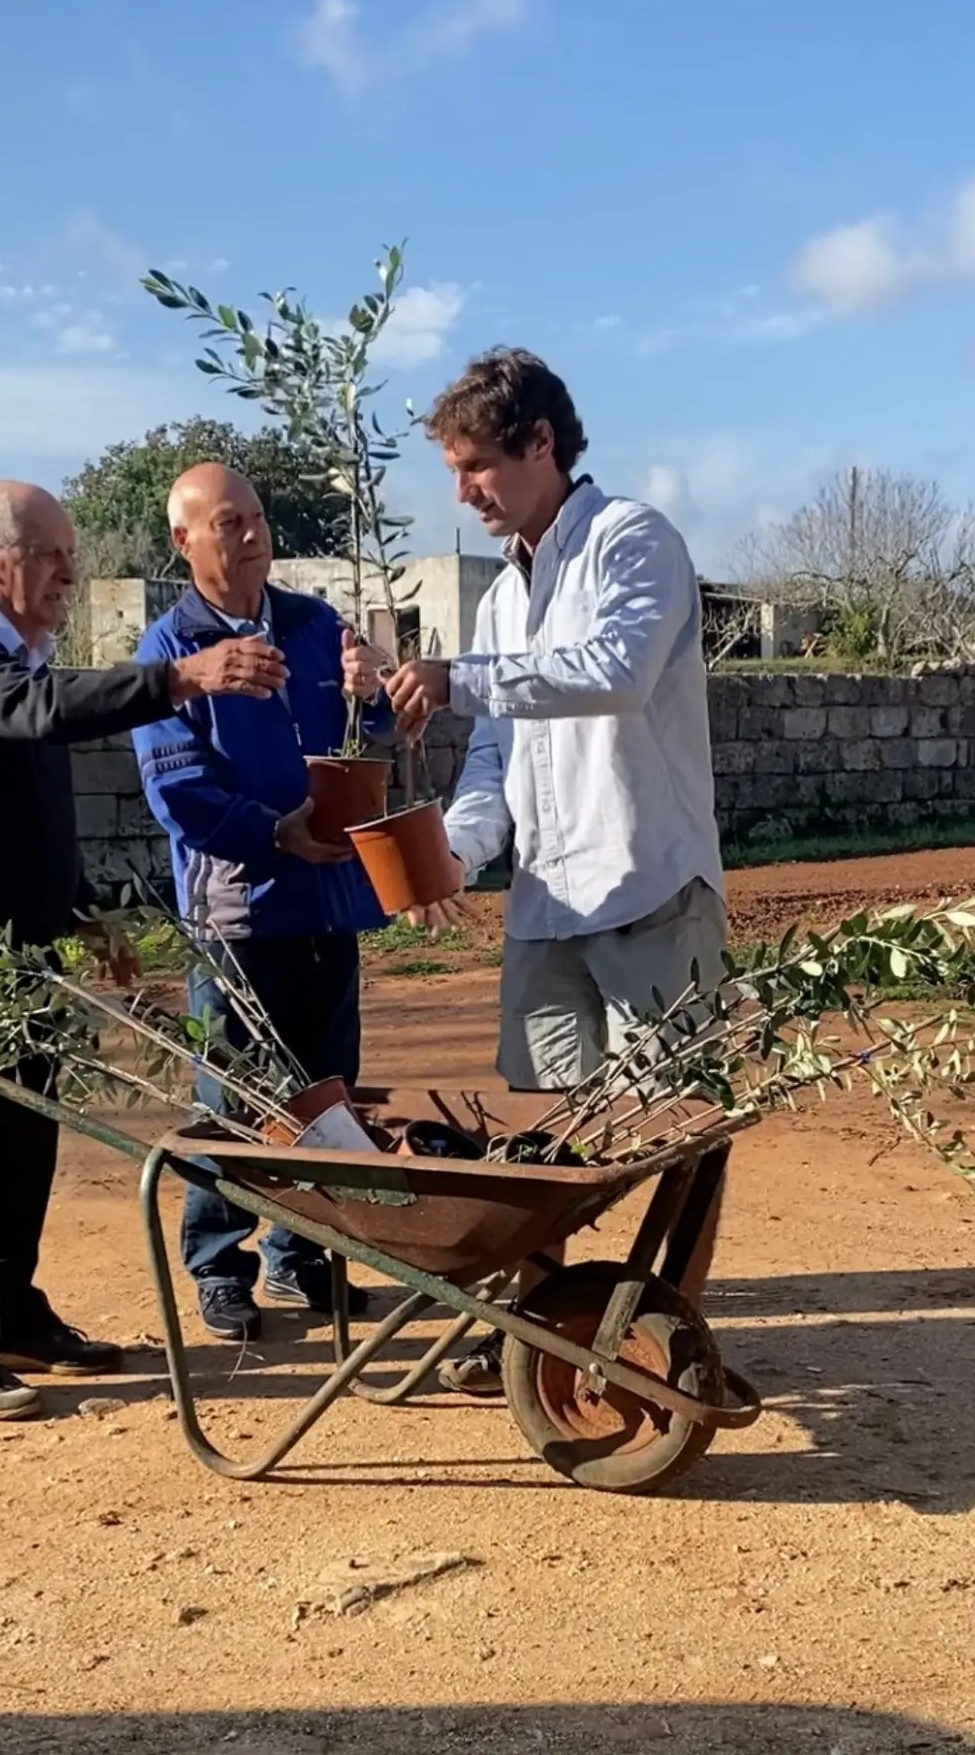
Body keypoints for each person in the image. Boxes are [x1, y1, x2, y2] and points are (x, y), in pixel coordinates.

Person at [0, 481, 284, 1421]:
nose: (71, 572)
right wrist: (182, 676)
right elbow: (34, 712)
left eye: (71, 553)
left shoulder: (19, 651)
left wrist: (77, 909)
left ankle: (14, 1314)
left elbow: (19, 800)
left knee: (21, 1126)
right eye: (50, 555)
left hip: (10, 935)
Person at [384, 349, 726, 1395]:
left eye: (477, 464)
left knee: (676, 1129)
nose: (463, 491)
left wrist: (455, 679)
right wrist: (456, 850)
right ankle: (537, 1331)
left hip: (650, 885)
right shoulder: (501, 598)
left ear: (541, 444)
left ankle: (662, 1335)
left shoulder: (633, 542)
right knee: (539, 1142)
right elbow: (495, 757)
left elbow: (614, 675)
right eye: (452, 470)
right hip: (548, 905)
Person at [131, 463, 394, 1341]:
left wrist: (374, 699)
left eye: (256, 519)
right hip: (237, 915)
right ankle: (219, 1265)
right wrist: (272, 831)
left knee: (330, 1094)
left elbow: (377, 738)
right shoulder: (167, 656)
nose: (249, 536)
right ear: (184, 542)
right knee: (236, 1095)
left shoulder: (320, 627)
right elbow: (179, 794)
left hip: (329, 901)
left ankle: (303, 1255)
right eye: (226, 523)